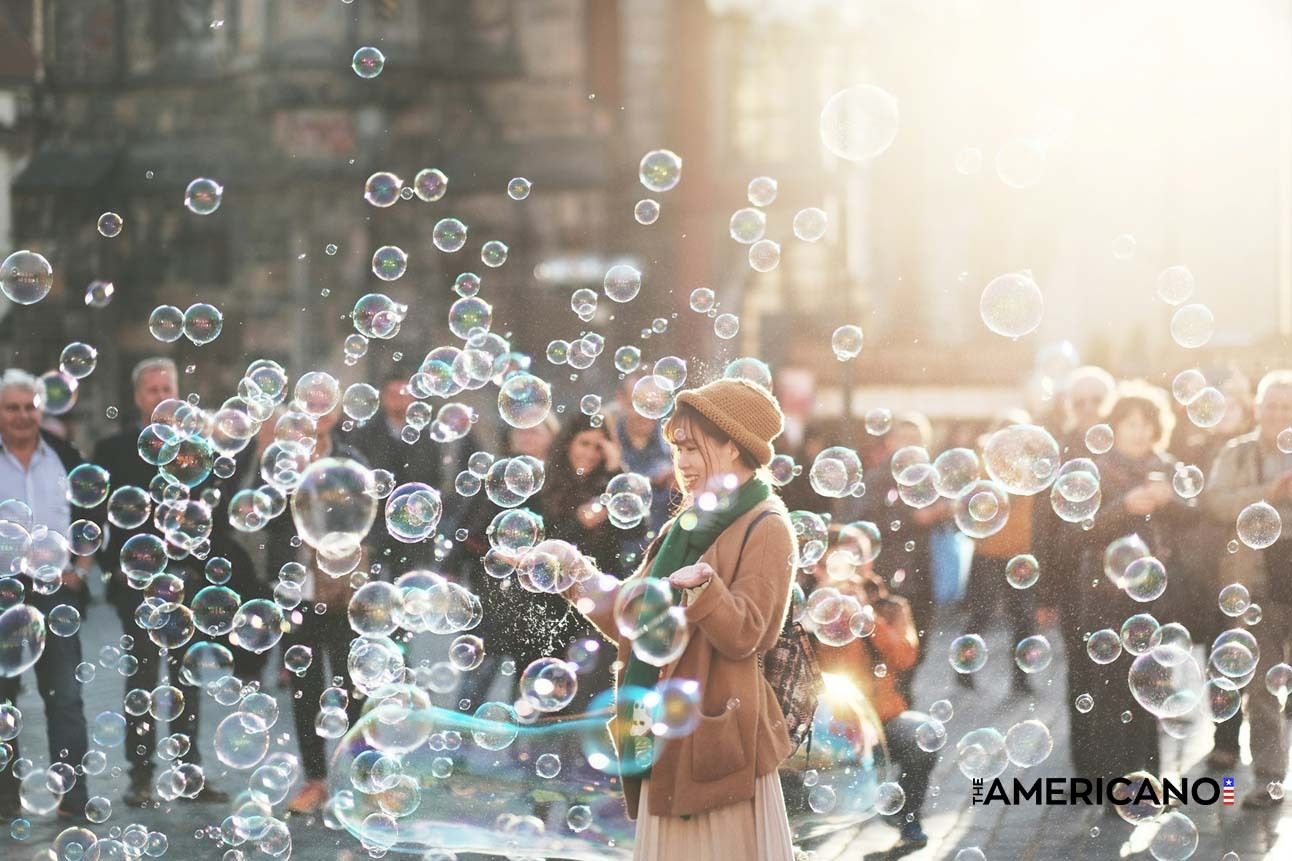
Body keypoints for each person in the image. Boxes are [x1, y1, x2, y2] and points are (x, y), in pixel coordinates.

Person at [564, 377, 797, 860]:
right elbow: (636, 616)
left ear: (733, 447)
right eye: (677, 449)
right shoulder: (684, 525)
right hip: (662, 732)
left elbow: (751, 633)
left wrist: (707, 589)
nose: (682, 463)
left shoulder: (767, 524)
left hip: (718, 748)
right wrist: (574, 574)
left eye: (692, 448)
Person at [92, 357, 248, 806]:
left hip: (187, 582)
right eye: (151, 390)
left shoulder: (197, 451)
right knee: (140, 680)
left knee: (187, 679)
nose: (160, 396)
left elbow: (219, 511)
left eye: (167, 389)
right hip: (137, 584)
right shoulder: (113, 450)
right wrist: (119, 572)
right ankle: (139, 776)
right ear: (137, 397)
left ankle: (189, 773)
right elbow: (100, 518)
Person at [1061, 382, 1197, 800]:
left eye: (1146, 424)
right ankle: (1111, 785)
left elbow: (1196, 516)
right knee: (1109, 690)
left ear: (1158, 428)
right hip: (1106, 597)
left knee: (1152, 687)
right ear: (1114, 427)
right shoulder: (1097, 469)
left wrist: (1169, 501)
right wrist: (1125, 506)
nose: (1138, 431)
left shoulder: (1168, 467)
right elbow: (1075, 531)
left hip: (1159, 598)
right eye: (1129, 423)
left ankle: (1148, 781)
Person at [0, 370, 94, 820]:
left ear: (42, 409)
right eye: (11, 407)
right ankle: (2, 800)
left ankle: (73, 800)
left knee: (66, 699)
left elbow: (94, 519)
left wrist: (79, 570)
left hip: (56, 592)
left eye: (29, 406)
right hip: (1, 593)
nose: (21, 415)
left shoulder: (65, 455)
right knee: (1, 700)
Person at [811, 529, 935, 860]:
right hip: (823, 727)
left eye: (856, 560)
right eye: (835, 564)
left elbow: (906, 656)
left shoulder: (891, 607)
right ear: (819, 568)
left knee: (923, 734)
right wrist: (821, 610)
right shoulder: (804, 612)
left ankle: (906, 817)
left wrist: (867, 616)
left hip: (881, 721)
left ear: (869, 564)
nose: (848, 570)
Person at [1203, 370, 1292, 807]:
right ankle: (1270, 779)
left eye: (1287, 407)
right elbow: (1215, 502)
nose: (1278, 414)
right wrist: (1268, 492)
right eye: (1271, 405)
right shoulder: (1237, 453)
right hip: (1257, 584)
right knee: (1263, 687)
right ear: (1258, 408)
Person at [273, 406, 367, 815]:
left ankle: (353, 779)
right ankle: (315, 780)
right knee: (305, 688)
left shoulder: (353, 463)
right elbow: (260, 520)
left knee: (353, 685)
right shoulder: (278, 462)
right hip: (299, 591)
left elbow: (369, 520)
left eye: (325, 403)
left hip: (345, 590)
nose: (318, 412)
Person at [845, 412, 950, 690]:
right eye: (905, 440)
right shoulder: (878, 478)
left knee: (918, 643)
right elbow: (865, 522)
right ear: (890, 443)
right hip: (888, 572)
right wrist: (915, 519)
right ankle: (894, 705)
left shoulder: (927, 480)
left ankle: (905, 697)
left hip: (921, 571)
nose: (911, 446)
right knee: (889, 643)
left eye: (917, 441)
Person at [347, 370, 473, 576]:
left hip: (419, 520)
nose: (398, 399)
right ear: (383, 397)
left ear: (414, 397)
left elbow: (441, 475)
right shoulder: (365, 433)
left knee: (412, 581)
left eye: (403, 393)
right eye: (392, 393)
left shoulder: (432, 435)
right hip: (374, 523)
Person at [958, 412, 1037, 696]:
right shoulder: (983, 467)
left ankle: (1021, 679)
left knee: (1024, 619)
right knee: (981, 615)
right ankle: (964, 671)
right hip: (989, 553)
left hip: (1020, 553)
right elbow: (969, 506)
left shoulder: (1031, 469)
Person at [613, 373, 677, 539]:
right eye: (638, 405)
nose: (646, 414)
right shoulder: (604, 442)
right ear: (620, 398)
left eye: (653, 406)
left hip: (664, 550)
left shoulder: (677, 447)